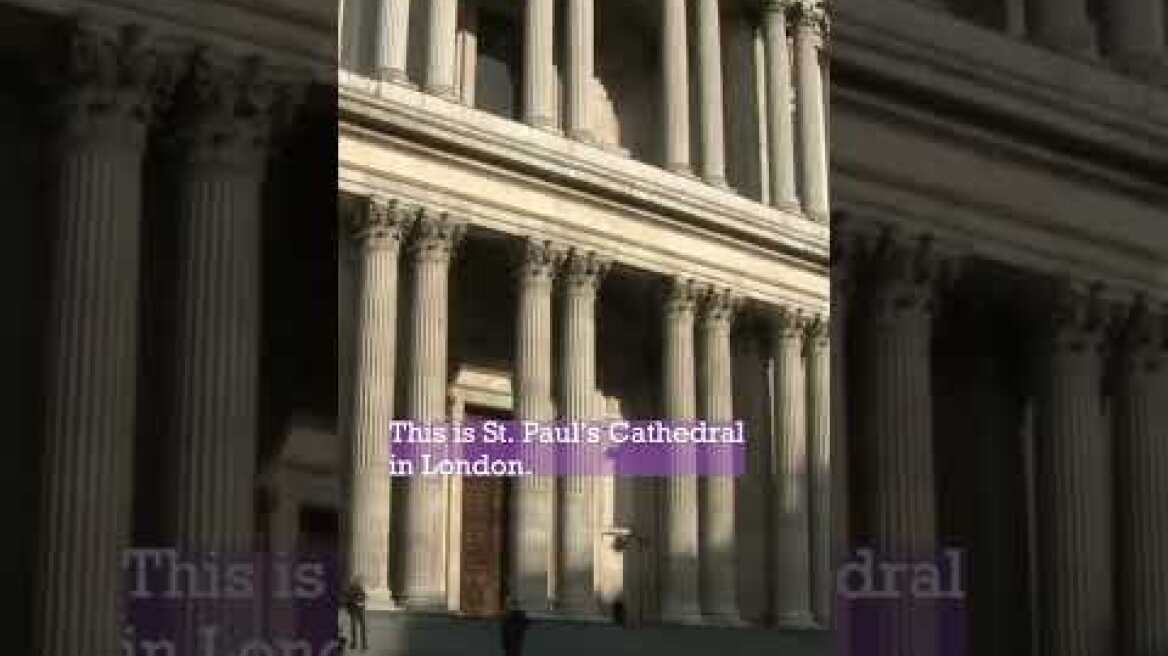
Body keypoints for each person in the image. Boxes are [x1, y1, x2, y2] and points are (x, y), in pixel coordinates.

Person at [341, 580, 367, 651]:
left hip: (357, 609)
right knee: (356, 626)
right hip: (355, 610)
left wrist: (360, 600)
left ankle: (360, 644)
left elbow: (364, 596)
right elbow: (346, 600)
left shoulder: (354, 589)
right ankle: (359, 644)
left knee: (358, 626)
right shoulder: (349, 590)